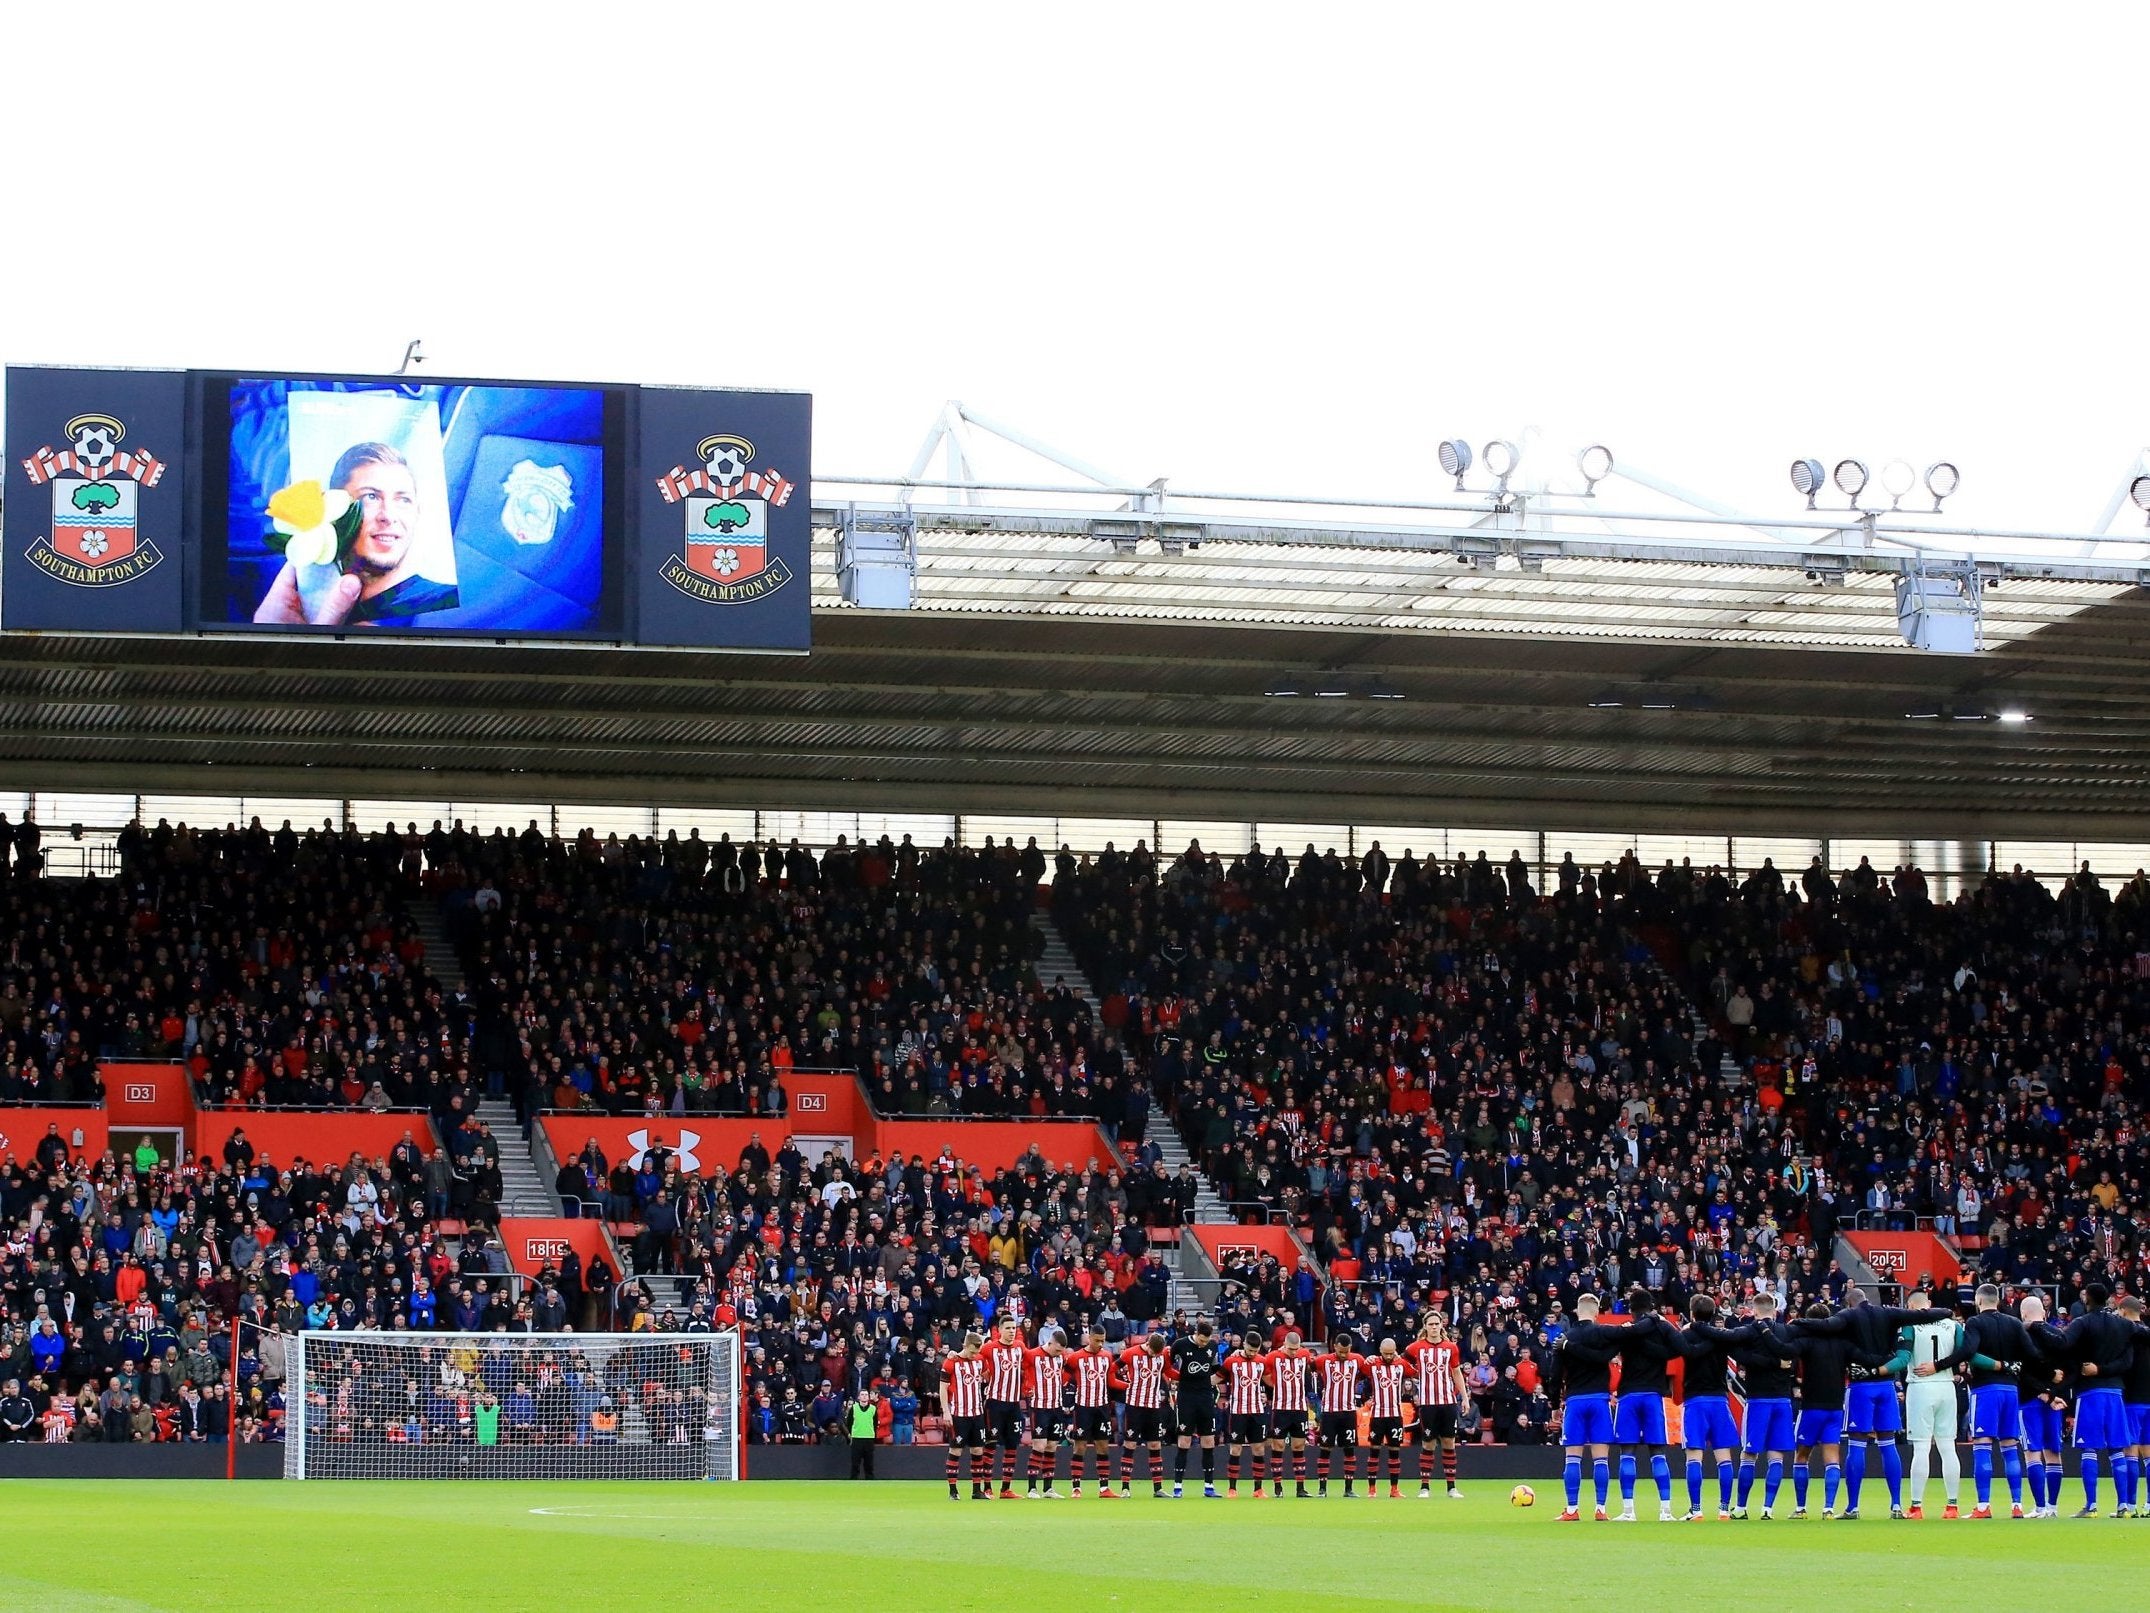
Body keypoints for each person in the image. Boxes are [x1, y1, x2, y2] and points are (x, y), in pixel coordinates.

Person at [252, 442, 459, 627]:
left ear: (417, 512)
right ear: (336, 511)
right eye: (371, 497)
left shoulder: (442, 601)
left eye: (403, 500)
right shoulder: (298, 600)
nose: (388, 516)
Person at [1931, 1282, 2042, 1518]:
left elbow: (1967, 1351)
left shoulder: (1975, 1322)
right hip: (2011, 1391)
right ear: (1998, 1300)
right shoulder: (2013, 1323)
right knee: (2010, 1447)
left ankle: (1983, 1506)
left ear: (1979, 1301)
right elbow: (2032, 1353)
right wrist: (2015, 1366)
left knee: (1982, 1445)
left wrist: (1939, 1365)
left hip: (1986, 1390)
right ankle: (2017, 1505)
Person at [2031, 1282, 2138, 1517]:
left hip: (2090, 1393)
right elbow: (2127, 1363)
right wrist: (2103, 1369)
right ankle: (2123, 1507)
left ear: (2087, 1299)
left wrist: (2038, 1328)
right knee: (2117, 1449)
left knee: (2089, 1448)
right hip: (2116, 1393)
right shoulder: (2123, 1325)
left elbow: (2062, 1343)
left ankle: (2091, 1506)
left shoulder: (2082, 1323)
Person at [1889, 1292, 1977, 1519]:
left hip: (1920, 1387)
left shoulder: (1910, 1325)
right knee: (1948, 1447)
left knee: (1921, 1448)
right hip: (1947, 1387)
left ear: (1909, 1306)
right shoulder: (1952, 1325)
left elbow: (1903, 1357)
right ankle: (1952, 1506)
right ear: (1929, 1303)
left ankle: (1916, 1507)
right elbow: (1962, 1354)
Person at [1675, 1295, 1749, 1521]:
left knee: (1694, 1457)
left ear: (1692, 1312)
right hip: (1719, 1399)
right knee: (1724, 1456)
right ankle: (1724, 1510)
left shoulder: (1686, 1334)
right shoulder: (1721, 1337)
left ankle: (1696, 1509)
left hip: (1695, 1400)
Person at [1725, 1293, 1798, 1519]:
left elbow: (1734, 1351)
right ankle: (1767, 1508)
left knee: (1749, 1455)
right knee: (1776, 1456)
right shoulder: (1786, 1331)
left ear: (1754, 1310)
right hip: (1783, 1400)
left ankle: (1740, 1508)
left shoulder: (1750, 1331)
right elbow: (1793, 1358)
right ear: (1774, 1310)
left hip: (1757, 1400)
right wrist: (1776, 1363)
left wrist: (1752, 1359)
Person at [1549, 1294, 1621, 1521]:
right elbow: (1608, 1355)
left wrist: (1553, 1405)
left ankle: (1572, 1509)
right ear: (1597, 1311)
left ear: (1576, 1311)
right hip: (1600, 1401)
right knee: (1601, 1458)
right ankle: (1601, 1508)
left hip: (1575, 1401)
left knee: (1572, 1457)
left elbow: (1554, 1376)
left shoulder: (1564, 1338)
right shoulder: (1603, 1333)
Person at [1112, 1331, 1175, 1499]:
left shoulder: (1162, 1356)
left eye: (1157, 1353)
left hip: (1154, 1407)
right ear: (1147, 1344)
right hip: (1134, 1406)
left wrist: (1190, 1377)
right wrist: (1121, 1384)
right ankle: (1125, 1488)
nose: (1155, 1355)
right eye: (1153, 1352)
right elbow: (1112, 1369)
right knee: (1130, 1445)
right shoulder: (1130, 1353)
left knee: (1155, 1445)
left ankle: (1158, 1488)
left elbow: (1170, 1372)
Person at [1169, 1318, 1220, 1498]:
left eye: (1206, 1341)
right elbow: (1168, 1365)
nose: (1204, 1344)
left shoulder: (1212, 1346)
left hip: (1205, 1397)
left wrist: (1212, 1382)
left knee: (1209, 1441)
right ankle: (1177, 1486)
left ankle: (1209, 1486)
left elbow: (1216, 1369)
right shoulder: (1180, 1344)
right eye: (1201, 1340)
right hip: (1186, 1397)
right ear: (1196, 1334)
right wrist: (1176, 1379)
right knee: (1184, 1441)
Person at [1064, 1327, 1117, 1497]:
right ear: (1090, 1338)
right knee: (1080, 1446)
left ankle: (1104, 1488)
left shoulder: (1107, 1356)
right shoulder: (1075, 1358)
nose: (1100, 1344)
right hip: (1083, 1408)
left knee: (1103, 1446)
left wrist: (1128, 1387)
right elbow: (1063, 1378)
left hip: (1102, 1407)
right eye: (1097, 1340)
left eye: (1103, 1340)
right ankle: (1076, 1487)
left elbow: (1111, 1381)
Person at [979, 1316, 1027, 1500]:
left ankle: (1006, 1489)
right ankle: (988, 1487)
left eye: (1014, 1328)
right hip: (995, 1403)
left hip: (1014, 1404)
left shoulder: (1019, 1347)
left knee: (1012, 1446)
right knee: (990, 1444)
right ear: (999, 1330)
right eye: (1008, 1328)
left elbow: (1031, 1358)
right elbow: (973, 1357)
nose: (1012, 1331)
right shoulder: (989, 1348)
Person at [1314, 1331, 1366, 1498]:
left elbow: (1370, 1369)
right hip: (1329, 1412)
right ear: (1334, 1346)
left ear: (1350, 1348)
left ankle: (1349, 1489)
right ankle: (1322, 1489)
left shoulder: (1357, 1360)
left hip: (1349, 1412)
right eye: (1340, 1351)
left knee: (1349, 1450)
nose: (1343, 1355)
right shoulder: (1323, 1360)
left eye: (1346, 1351)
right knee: (1325, 1449)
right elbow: (1306, 1365)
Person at [1265, 1329, 1315, 1499]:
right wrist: (1275, 1385)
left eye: (1296, 1349)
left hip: (1299, 1408)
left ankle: (1300, 1488)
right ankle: (1277, 1487)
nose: (1294, 1352)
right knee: (1278, 1446)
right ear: (1284, 1344)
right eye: (1290, 1349)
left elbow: (1313, 1367)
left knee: (1299, 1446)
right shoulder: (1273, 1357)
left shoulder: (1305, 1355)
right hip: (1281, 1408)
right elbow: (1262, 1372)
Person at [941, 1333, 989, 1501]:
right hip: (959, 1414)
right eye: (972, 1352)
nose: (974, 1355)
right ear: (965, 1346)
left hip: (977, 1413)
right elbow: (943, 1388)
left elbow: (987, 1376)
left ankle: (977, 1490)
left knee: (977, 1450)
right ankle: (953, 1490)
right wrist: (946, 1411)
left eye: (977, 1352)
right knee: (956, 1450)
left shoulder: (980, 1360)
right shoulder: (951, 1362)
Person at [1222, 1332, 1270, 1497]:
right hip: (1237, 1411)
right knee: (1235, 1449)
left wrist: (1269, 1396)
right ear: (1243, 1345)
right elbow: (1217, 1378)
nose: (1252, 1354)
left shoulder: (1263, 1362)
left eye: (1255, 1351)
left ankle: (1258, 1489)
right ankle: (1232, 1489)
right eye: (1250, 1350)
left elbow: (1271, 1381)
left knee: (1258, 1449)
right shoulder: (1231, 1361)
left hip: (1257, 1411)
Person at [1022, 1326, 1068, 1497]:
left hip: (1056, 1407)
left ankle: (1048, 1488)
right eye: (1057, 1349)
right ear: (1050, 1343)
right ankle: (1032, 1488)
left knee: (1052, 1446)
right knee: (1039, 1445)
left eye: (1061, 1351)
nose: (1058, 1353)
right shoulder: (1032, 1355)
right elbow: (1018, 1368)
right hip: (1039, 1406)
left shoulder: (1061, 1357)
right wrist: (1027, 1386)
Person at [846, 1386, 880, 1480]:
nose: (864, 1397)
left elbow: (875, 1423)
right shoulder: (854, 1408)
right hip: (857, 1438)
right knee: (855, 1462)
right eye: (862, 1395)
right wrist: (853, 1432)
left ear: (868, 1397)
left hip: (869, 1438)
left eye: (866, 1395)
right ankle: (853, 1479)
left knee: (869, 1462)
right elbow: (849, 1423)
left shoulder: (873, 1409)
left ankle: (870, 1479)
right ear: (858, 1397)